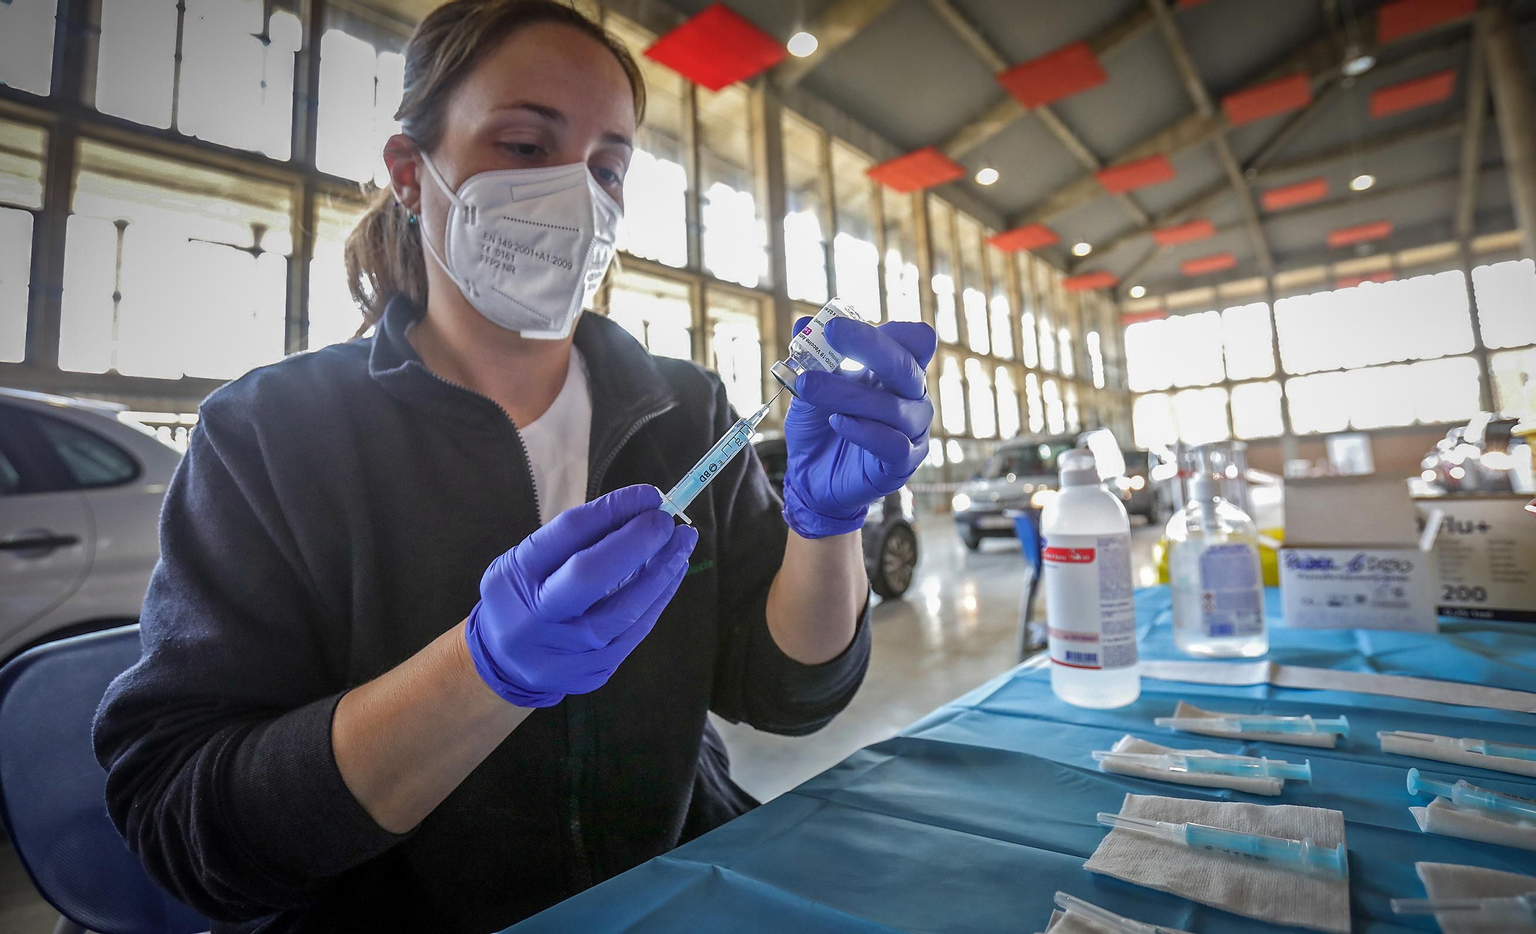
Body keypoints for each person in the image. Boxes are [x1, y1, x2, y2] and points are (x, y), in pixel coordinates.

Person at [93, 2, 936, 932]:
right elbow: (188, 830)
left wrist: (827, 531)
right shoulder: (271, 434)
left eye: (607, 166)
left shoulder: (684, 409)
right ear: (412, 174)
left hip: (672, 891)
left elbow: (787, 695)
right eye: (528, 145)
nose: (576, 194)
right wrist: (482, 671)